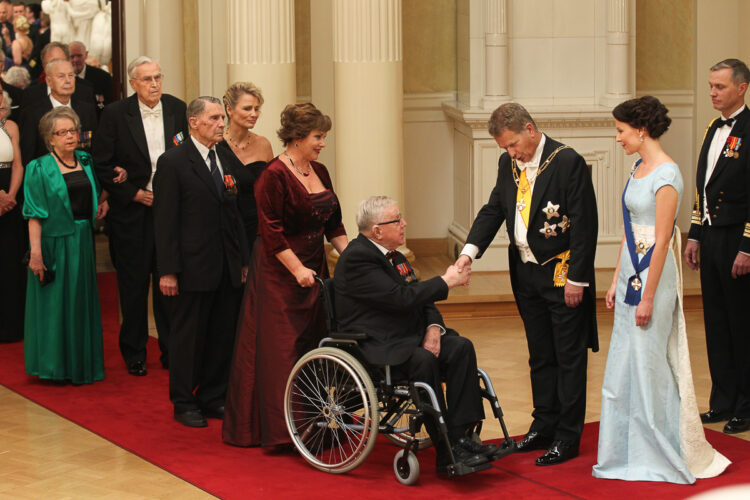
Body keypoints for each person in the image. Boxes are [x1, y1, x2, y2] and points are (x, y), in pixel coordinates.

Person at [593, 96, 731, 483]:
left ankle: (660, 448)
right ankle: (625, 451)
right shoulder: (638, 167)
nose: (618, 138)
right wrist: (615, 277)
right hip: (630, 276)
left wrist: (649, 295)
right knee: (623, 365)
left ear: (641, 130)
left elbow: (662, 236)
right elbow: (629, 229)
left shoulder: (667, 174)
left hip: (655, 276)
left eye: (621, 131)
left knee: (649, 363)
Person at [455, 102, 598, 466]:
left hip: (562, 274)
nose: (511, 153)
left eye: (513, 144)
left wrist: (578, 279)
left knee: (568, 357)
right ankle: (544, 424)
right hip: (526, 275)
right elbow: (494, 209)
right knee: (539, 354)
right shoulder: (509, 164)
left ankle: (567, 436)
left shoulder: (568, 162)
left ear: (530, 130)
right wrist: (468, 253)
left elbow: (585, 225)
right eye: (505, 148)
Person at [335, 195, 504, 472]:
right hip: (376, 344)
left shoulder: (396, 257)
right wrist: (447, 281)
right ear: (377, 230)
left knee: (461, 347)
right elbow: (400, 298)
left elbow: (422, 299)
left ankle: (463, 436)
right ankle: (446, 449)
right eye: (397, 220)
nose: (404, 223)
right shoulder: (357, 258)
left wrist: (433, 328)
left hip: (408, 336)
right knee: (423, 360)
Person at [223, 102, 348, 447]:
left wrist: (355, 263)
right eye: (318, 137)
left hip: (314, 267)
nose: (323, 143)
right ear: (296, 138)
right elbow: (272, 232)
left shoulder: (320, 169)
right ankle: (285, 432)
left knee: (314, 343)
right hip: (280, 273)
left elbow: (334, 224)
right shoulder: (273, 176)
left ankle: (317, 423)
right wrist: (297, 270)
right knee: (285, 348)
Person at [153, 96, 248, 428]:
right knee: (187, 339)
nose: (221, 123)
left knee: (222, 335)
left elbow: (235, 210)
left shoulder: (224, 155)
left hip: (225, 265)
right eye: (214, 118)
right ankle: (183, 401)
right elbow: (165, 222)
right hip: (191, 267)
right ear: (193, 122)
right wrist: (168, 270)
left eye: (222, 118)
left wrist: (243, 259)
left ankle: (212, 396)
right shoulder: (174, 162)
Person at [93, 56, 187, 376]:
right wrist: (133, 193)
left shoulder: (178, 108)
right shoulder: (116, 114)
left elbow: (189, 156)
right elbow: (102, 163)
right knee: (133, 287)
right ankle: (134, 352)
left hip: (170, 214)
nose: (154, 84)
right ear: (133, 83)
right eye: (147, 79)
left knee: (169, 285)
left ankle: (172, 350)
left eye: (158, 77)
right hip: (132, 214)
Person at [685, 58, 750, 435]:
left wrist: (747, 247)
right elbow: (703, 187)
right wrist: (695, 233)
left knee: (742, 324)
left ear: (741, 88)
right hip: (711, 236)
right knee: (716, 323)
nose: (712, 92)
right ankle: (722, 400)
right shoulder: (713, 127)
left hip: (737, 239)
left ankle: (746, 403)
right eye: (710, 85)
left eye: (720, 87)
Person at [22, 106, 108, 384]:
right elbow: (34, 215)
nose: (70, 136)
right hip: (54, 243)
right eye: (63, 132)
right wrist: (35, 253)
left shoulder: (85, 158)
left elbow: (93, 193)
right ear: (51, 139)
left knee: (80, 303)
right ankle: (56, 367)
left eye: (73, 130)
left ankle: (81, 362)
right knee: (56, 306)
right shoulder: (39, 168)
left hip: (82, 240)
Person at [217, 82, 273, 256]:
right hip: (226, 227)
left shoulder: (263, 144)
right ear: (229, 110)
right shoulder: (216, 144)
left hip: (257, 227)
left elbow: (272, 189)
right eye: (247, 108)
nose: (254, 114)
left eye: (257, 109)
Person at [19, 57, 96, 165]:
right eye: (61, 76)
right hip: (48, 176)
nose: (68, 80)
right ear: (49, 81)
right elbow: (28, 155)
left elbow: (94, 148)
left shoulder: (87, 110)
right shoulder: (33, 113)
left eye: (71, 75)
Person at [0, 90, 24, 342]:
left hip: (10, 194)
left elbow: (18, 163)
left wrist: (11, 196)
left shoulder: (11, 126)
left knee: (9, 259)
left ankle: (12, 325)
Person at [69, 40, 111, 110]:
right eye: (72, 56)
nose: (75, 60)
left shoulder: (102, 77)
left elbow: (107, 105)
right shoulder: (62, 79)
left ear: (86, 55)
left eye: (79, 56)